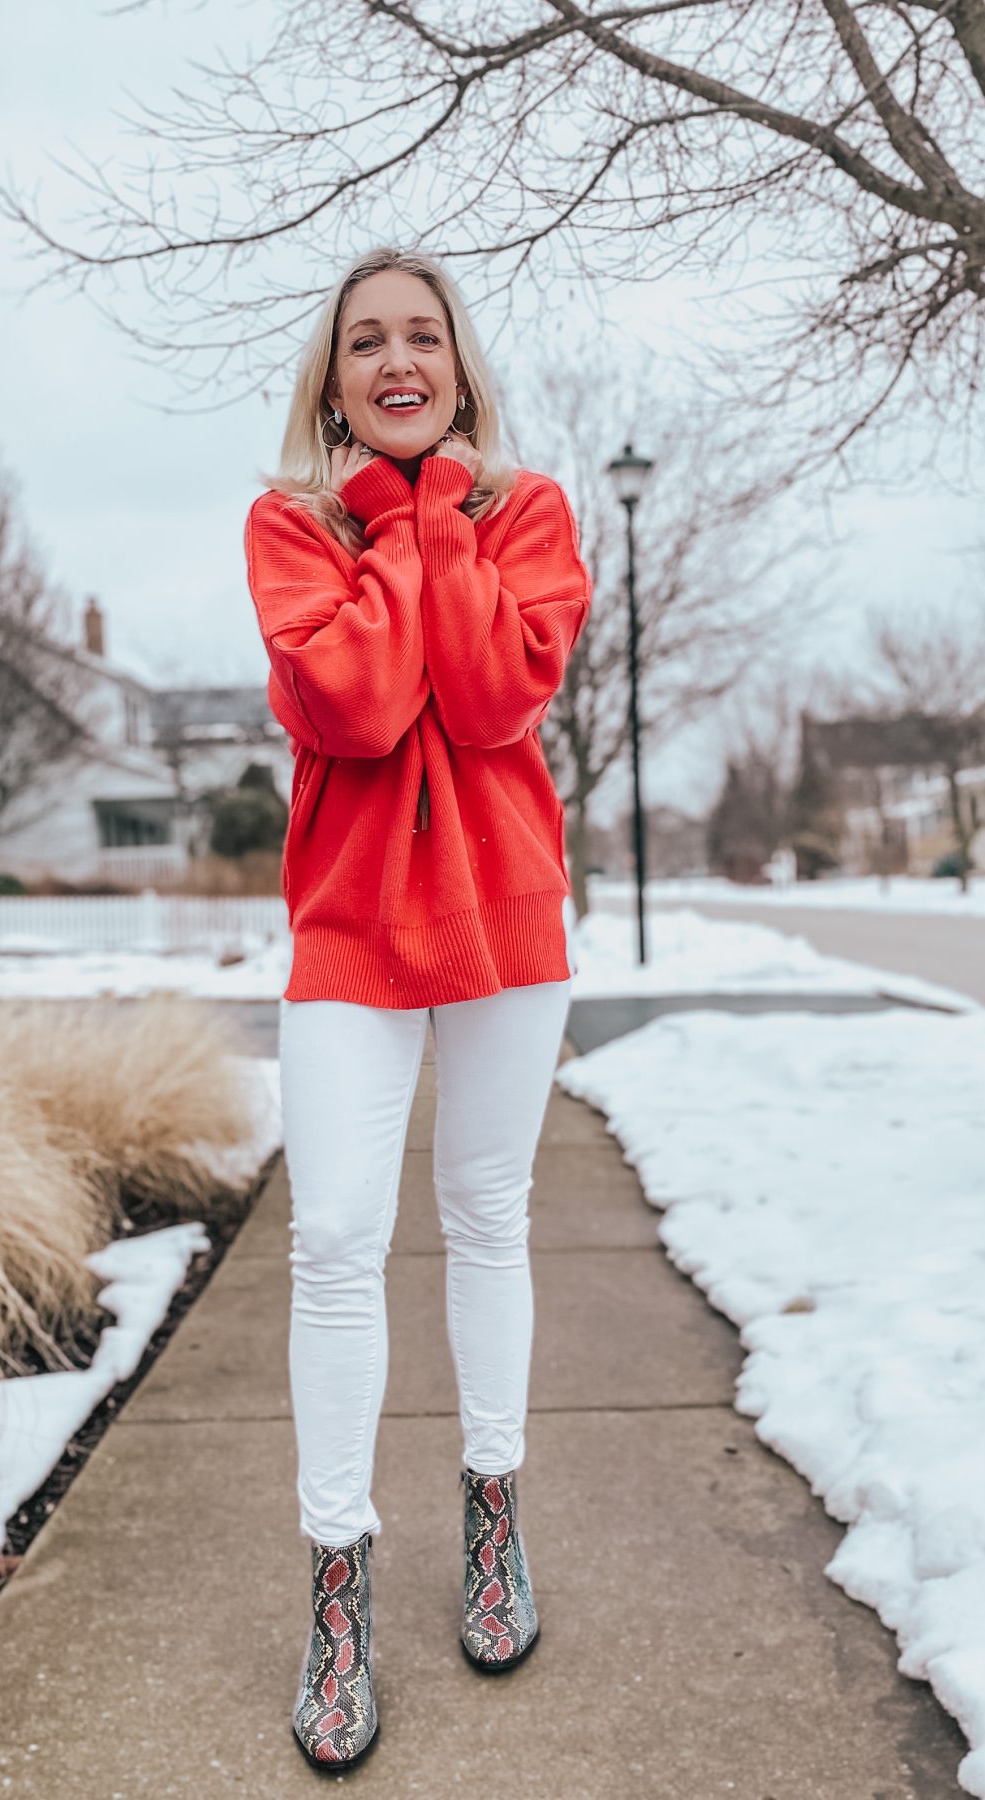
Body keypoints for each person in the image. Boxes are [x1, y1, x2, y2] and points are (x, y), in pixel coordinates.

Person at [243, 245, 592, 1770]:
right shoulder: (289, 526)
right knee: (332, 1238)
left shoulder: (532, 515)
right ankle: (339, 1580)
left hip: (506, 920)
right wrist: (394, 520)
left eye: (423, 338)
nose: (397, 361)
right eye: (366, 341)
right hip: (350, 933)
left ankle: (495, 1514)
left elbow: (503, 689)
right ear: (332, 378)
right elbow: (364, 705)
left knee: (488, 1212)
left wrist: (440, 514)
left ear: (460, 364)